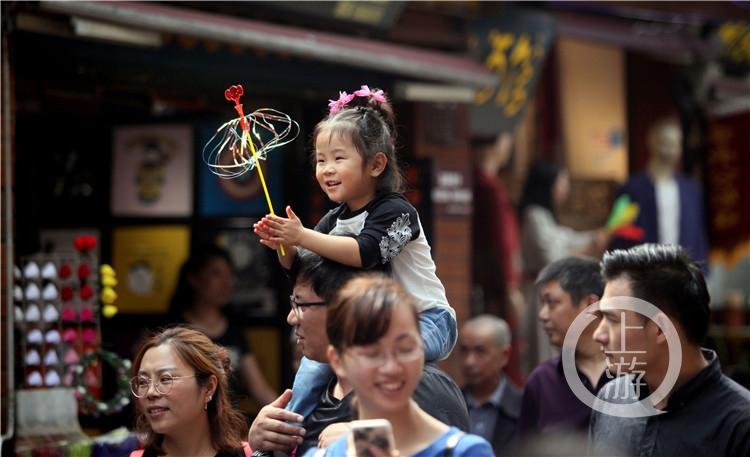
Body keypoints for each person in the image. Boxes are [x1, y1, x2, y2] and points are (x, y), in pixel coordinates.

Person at [254, 86, 455, 419]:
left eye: (338, 158)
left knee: (385, 365)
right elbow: (306, 271)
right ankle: (283, 439)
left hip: (426, 319)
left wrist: (302, 235)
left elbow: (365, 253)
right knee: (310, 371)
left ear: (376, 164)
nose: (326, 169)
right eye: (320, 160)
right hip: (368, 323)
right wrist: (286, 246)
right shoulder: (335, 217)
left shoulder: (397, 211)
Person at [247, 249, 469, 457]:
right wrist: (260, 448)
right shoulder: (311, 394)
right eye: (293, 302)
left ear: (343, 307)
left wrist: (367, 442)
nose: (291, 318)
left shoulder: (423, 385)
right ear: (337, 360)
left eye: (301, 303)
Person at [589, 244, 750, 457]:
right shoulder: (610, 400)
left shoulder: (740, 425)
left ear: (660, 329)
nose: (598, 334)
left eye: (612, 320)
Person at [310, 275, 493, 456]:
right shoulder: (324, 454)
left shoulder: (466, 451)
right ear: (338, 361)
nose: (391, 367)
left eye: (405, 349)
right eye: (372, 354)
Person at [519, 161, 608, 370]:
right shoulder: (534, 216)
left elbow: (568, 238)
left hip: (551, 294)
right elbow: (554, 258)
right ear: (549, 184)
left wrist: (594, 237)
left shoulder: (545, 217)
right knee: (544, 352)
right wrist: (590, 245)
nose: (565, 188)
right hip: (541, 293)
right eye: (562, 182)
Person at [168, 244, 277, 408]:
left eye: (229, 275)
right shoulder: (171, 330)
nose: (226, 282)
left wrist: (291, 416)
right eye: (216, 274)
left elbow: (258, 388)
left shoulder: (234, 329)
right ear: (193, 279)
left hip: (227, 426)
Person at [518, 257, 608, 437]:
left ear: (590, 305)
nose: (542, 315)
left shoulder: (635, 375)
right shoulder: (542, 381)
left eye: (551, 303)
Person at [129, 326, 251, 457]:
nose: (150, 392)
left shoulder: (251, 454)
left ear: (209, 387)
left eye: (165, 379)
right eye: (142, 382)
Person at [609, 117, 709, 269]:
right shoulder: (632, 188)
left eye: (677, 144)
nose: (672, 150)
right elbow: (620, 232)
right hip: (643, 272)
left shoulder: (691, 189)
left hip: (683, 272)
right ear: (652, 143)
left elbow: (698, 234)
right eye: (666, 143)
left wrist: (703, 271)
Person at [471, 133, 523, 385]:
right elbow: (499, 245)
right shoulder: (487, 188)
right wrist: (509, 287)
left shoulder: (489, 185)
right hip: (496, 288)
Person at [459, 314, 522, 456]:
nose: (469, 362)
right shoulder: (449, 404)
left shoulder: (525, 407)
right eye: (464, 350)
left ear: (504, 355)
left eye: (480, 351)